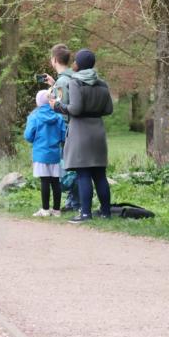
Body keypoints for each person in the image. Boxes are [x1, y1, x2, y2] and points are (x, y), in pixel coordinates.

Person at [49, 48, 112, 223]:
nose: (73, 63)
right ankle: (106, 212)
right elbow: (109, 109)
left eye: (76, 61)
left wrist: (57, 106)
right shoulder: (102, 84)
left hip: (80, 131)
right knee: (100, 174)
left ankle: (85, 213)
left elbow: (75, 109)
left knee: (83, 173)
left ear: (80, 64)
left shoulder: (76, 83)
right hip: (98, 130)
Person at [42, 44, 80, 211]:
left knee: (70, 166)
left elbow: (62, 107)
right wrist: (53, 83)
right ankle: (75, 201)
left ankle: (74, 202)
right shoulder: (72, 77)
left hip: (67, 129)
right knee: (75, 165)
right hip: (78, 128)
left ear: (54, 60)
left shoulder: (62, 81)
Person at [24, 90, 67, 217]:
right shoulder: (58, 117)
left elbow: (28, 136)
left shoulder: (34, 117)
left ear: (38, 102)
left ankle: (45, 209)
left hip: (40, 154)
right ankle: (57, 210)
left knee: (44, 181)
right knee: (55, 181)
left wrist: (35, 141)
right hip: (54, 154)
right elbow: (64, 136)